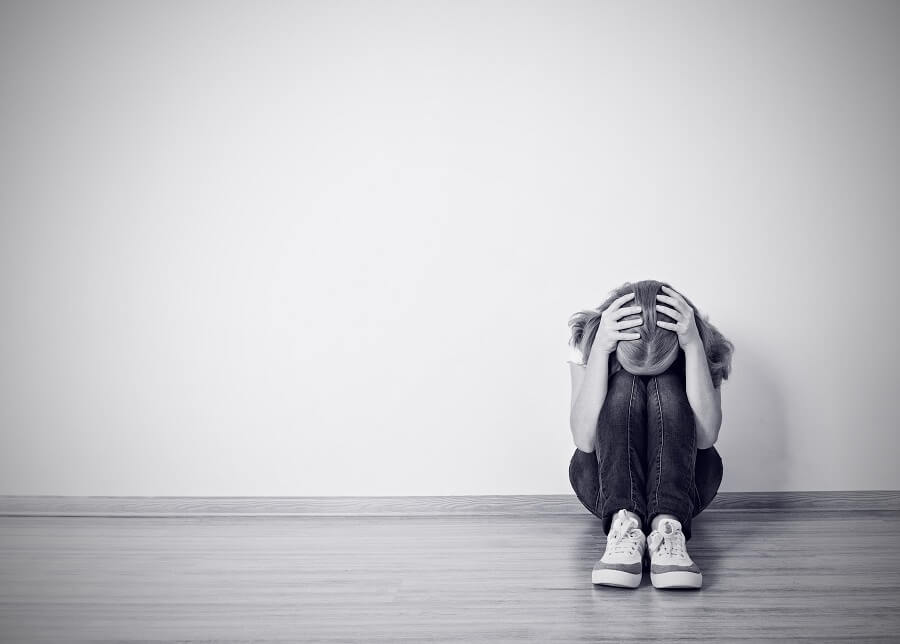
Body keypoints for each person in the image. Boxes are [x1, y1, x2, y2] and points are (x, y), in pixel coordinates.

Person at [566, 280, 734, 589]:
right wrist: (602, 349)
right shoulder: (591, 342)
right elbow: (583, 440)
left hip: (685, 490)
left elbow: (706, 437)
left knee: (666, 386)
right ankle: (624, 523)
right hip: (605, 490)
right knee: (622, 387)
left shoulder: (700, 346)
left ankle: (668, 525)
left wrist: (693, 347)